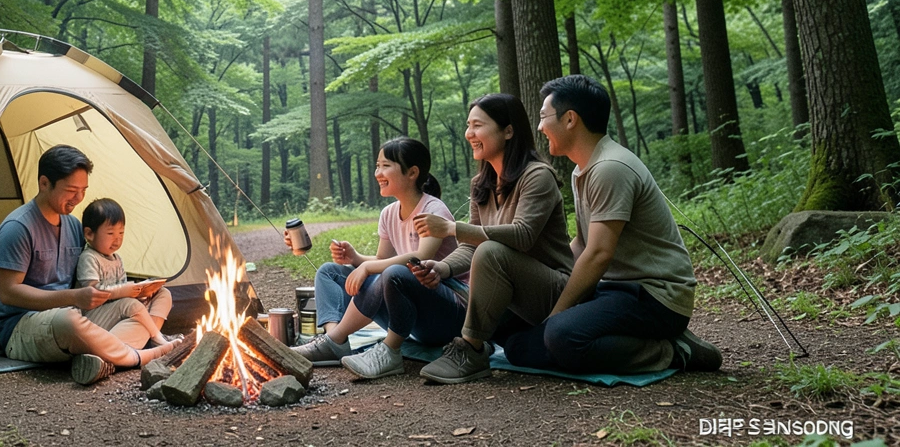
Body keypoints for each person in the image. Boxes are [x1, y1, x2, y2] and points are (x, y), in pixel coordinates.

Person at [415, 75, 721, 383]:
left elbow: (598, 254)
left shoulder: (609, 168)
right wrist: (443, 269)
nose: (539, 127)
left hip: (655, 294)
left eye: (544, 117)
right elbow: (581, 244)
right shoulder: (583, 169)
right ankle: (560, 335)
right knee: (520, 348)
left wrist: (555, 315)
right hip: (614, 289)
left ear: (570, 119)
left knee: (560, 336)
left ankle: (672, 350)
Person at [405, 93, 574, 384]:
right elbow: (472, 246)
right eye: (468, 125)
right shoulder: (481, 184)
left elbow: (522, 235)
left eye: (478, 125)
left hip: (553, 291)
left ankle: (471, 349)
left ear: (508, 131)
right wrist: (441, 268)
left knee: (493, 251)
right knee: (485, 253)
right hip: (513, 300)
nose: (470, 134)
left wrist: (450, 228)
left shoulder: (537, 176)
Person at [0, 145, 175, 385]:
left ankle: (102, 355)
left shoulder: (74, 226)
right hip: (26, 326)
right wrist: (74, 297)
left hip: (78, 314)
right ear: (45, 183)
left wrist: (134, 291)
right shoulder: (17, 228)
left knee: (160, 296)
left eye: (83, 190)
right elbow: (8, 293)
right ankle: (142, 354)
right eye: (71, 190)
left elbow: (94, 269)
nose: (78, 198)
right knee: (68, 320)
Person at [288, 137, 459, 379]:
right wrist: (355, 257)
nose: (378, 172)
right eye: (377, 165)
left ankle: (343, 343)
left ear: (412, 172)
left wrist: (368, 267)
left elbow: (420, 258)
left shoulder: (433, 210)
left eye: (385, 165)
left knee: (394, 272)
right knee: (329, 271)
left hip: (444, 316)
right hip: (408, 315)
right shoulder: (389, 213)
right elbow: (382, 258)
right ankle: (336, 340)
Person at [75, 198, 178, 346]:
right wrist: (125, 291)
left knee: (163, 294)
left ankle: (151, 335)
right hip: (95, 317)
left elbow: (123, 290)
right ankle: (156, 337)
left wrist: (143, 293)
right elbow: (92, 293)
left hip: (119, 310)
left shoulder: (117, 259)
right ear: (89, 234)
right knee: (130, 304)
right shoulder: (89, 258)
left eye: (121, 233)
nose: (117, 240)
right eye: (110, 234)